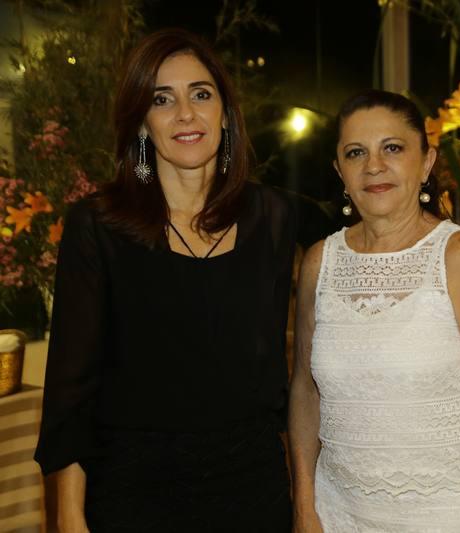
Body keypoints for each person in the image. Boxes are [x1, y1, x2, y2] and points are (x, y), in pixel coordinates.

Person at [34, 29, 295, 532]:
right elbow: (71, 393)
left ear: (226, 112)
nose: (186, 114)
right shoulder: (98, 225)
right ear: (141, 121)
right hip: (133, 496)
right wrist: (68, 516)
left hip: (253, 492)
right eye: (162, 99)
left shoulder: (273, 217)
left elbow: (371, 223)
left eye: (201, 94)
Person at [288, 90, 460, 532]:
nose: (373, 166)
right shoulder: (320, 262)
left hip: (447, 515)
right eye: (356, 153)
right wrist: (304, 506)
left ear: (427, 162)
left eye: (393, 148)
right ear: (340, 172)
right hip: (340, 514)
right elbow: (305, 391)